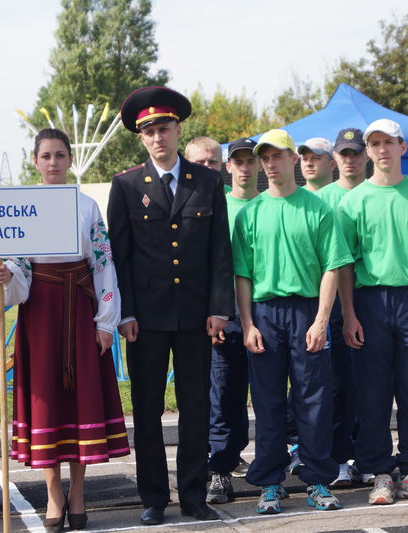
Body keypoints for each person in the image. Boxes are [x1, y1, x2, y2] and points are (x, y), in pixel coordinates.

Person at [0, 128, 130, 532]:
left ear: (70, 161)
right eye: (46, 156)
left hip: (81, 309)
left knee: (81, 400)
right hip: (40, 314)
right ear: (35, 161)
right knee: (46, 402)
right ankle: (53, 493)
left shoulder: (87, 207)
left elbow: (103, 265)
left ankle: (79, 491)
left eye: (60, 155)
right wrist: (4, 276)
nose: (53, 162)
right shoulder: (22, 209)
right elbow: (18, 270)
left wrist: (105, 323)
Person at [107, 86, 234, 526]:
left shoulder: (208, 181)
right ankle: (154, 496)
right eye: (149, 132)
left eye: (164, 128)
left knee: (196, 407)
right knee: (147, 409)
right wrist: (124, 313)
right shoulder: (125, 185)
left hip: (197, 314)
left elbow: (221, 250)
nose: (158, 137)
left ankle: (195, 495)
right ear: (140, 138)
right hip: (145, 318)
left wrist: (221, 308)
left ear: (178, 130)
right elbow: (119, 257)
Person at [232, 129, 351, 515]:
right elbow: (243, 275)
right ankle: (270, 482)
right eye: (264, 157)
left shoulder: (318, 209)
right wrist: (247, 323)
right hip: (265, 314)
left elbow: (332, 266)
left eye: (277, 156)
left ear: (293, 159)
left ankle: (317, 478)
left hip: (306, 312)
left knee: (313, 400)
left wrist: (320, 321)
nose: (270, 163)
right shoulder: (250, 213)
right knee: (267, 402)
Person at [337, 118, 408, 506]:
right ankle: (380, 472)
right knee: (373, 394)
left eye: (388, 142)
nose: (381, 149)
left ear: (402, 147)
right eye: (374, 143)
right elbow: (343, 264)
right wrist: (348, 314)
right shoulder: (353, 201)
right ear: (368, 151)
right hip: (369, 303)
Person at [315, 127, 372, 487]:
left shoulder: (376, 192)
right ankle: (338, 456)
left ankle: (368, 456)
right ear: (334, 159)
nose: (349, 160)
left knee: (372, 385)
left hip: (374, 299)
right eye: (344, 154)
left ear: (365, 156)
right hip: (335, 305)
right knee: (338, 384)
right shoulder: (323, 200)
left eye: (355, 153)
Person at [206, 137, 259, 505]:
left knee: (272, 397)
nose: (243, 167)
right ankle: (220, 470)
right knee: (224, 397)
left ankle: (272, 466)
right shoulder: (216, 206)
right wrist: (214, 313)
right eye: (237, 161)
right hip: (226, 317)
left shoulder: (271, 203)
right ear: (229, 167)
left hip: (267, 313)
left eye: (249, 160)